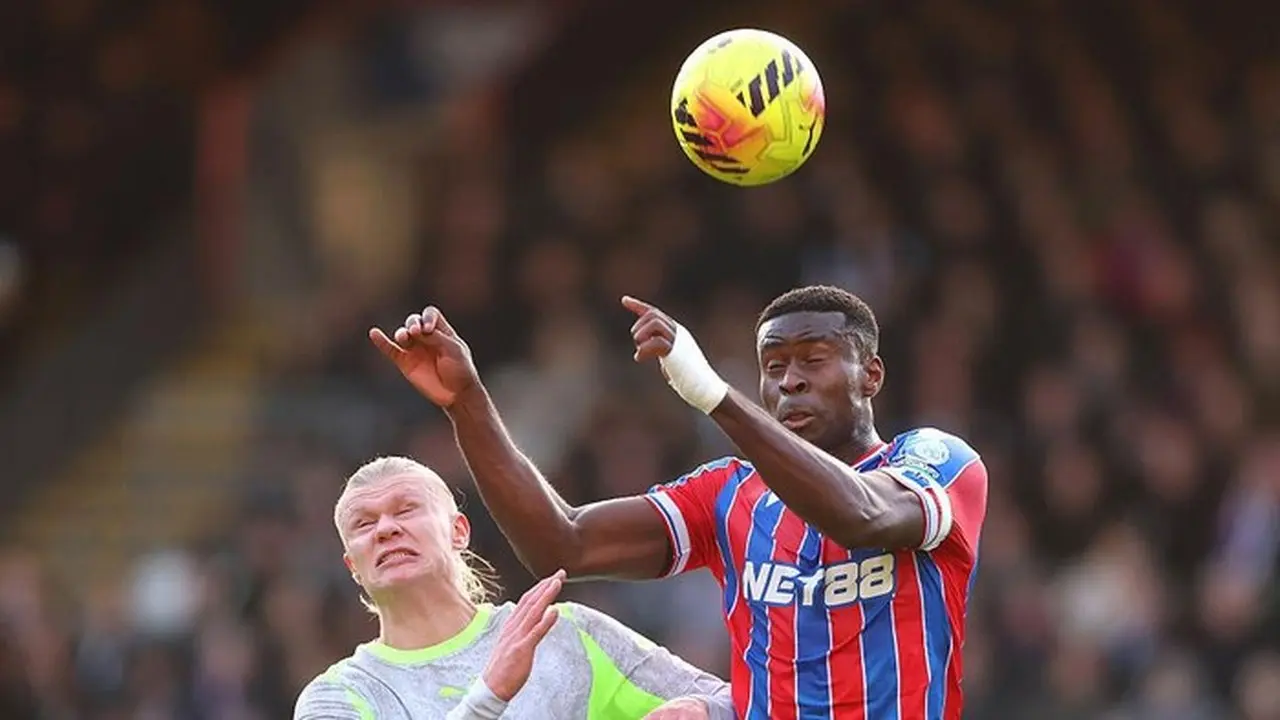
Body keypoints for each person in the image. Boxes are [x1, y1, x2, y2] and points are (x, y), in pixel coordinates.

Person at [371, 285, 989, 719]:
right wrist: (468, 403)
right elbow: (562, 543)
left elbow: (864, 517)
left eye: (813, 361)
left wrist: (714, 396)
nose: (790, 380)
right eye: (772, 367)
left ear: (871, 376)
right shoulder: (730, 493)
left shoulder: (934, 460)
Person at [293, 456, 734, 719]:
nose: (386, 529)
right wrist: (490, 695)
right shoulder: (338, 696)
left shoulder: (563, 634)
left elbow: (743, 703)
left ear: (459, 532)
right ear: (353, 565)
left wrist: (703, 709)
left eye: (406, 510)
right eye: (364, 524)